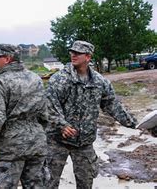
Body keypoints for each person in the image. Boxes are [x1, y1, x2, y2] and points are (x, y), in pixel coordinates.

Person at [46, 40, 137, 188]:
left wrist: (135, 124)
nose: (73, 55)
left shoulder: (100, 82)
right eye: (72, 52)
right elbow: (49, 105)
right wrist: (61, 125)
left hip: (84, 143)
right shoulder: (60, 79)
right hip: (57, 141)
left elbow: (112, 105)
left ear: (88, 57)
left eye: (78, 53)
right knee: (48, 182)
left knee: (86, 183)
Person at [0, 44, 49, 188]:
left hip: (9, 149)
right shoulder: (35, 79)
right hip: (36, 145)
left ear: (7, 59)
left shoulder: (0, 82)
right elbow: (44, 115)